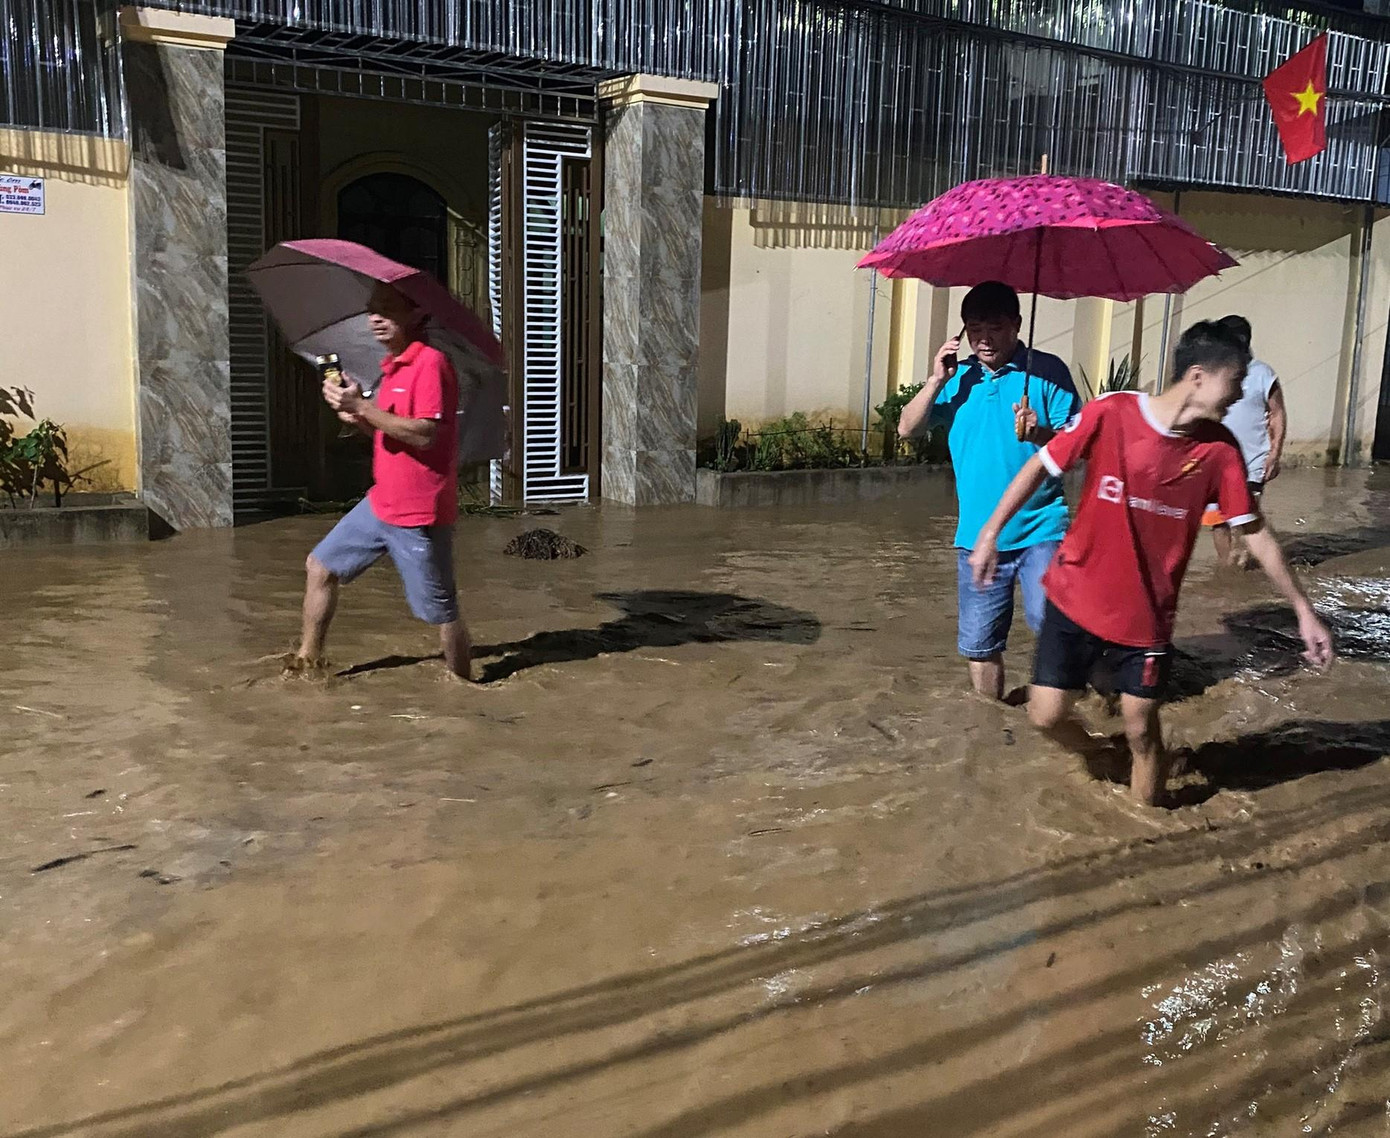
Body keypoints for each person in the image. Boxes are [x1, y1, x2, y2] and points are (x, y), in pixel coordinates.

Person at [968, 320, 1332, 807]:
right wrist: (990, 533)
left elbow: (1255, 531)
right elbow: (1040, 465)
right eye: (1236, 380)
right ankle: (1100, 753)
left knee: (1142, 730)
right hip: (1075, 598)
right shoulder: (1112, 412)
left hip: (1146, 620)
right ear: (1199, 376)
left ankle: (1147, 824)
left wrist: (1303, 610)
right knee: (1046, 716)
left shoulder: (1219, 451)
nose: (1242, 392)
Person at [898, 281, 1081, 700]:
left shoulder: (1049, 372)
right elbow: (907, 430)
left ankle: (1062, 704)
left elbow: (1077, 450)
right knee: (981, 646)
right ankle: (991, 729)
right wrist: (934, 381)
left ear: (1017, 325)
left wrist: (1041, 432)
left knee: (1050, 619)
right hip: (979, 537)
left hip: (1043, 527)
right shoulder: (958, 379)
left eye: (995, 327)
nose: (984, 338)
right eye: (974, 328)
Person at [286, 283, 472, 680]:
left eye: (386, 309)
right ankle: (308, 660)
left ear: (415, 315)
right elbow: (389, 433)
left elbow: (424, 434)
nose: (375, 318)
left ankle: (464, 685)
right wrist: (355, 418)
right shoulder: (390, 369)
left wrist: (364, 406)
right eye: (372, 310)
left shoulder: (431, 364)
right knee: (320, 566)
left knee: (440, 610)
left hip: (419, 510)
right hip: (380, 501)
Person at [1203, 314, 1288, 568]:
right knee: (1218, 522)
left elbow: (1277, 414)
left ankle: (1238, 569)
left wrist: (1274, 453)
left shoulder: (1263, 373)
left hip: (1252, 462)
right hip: (1216, 461)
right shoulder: (1212, 373)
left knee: (1243, 519)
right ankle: (1228, 571)